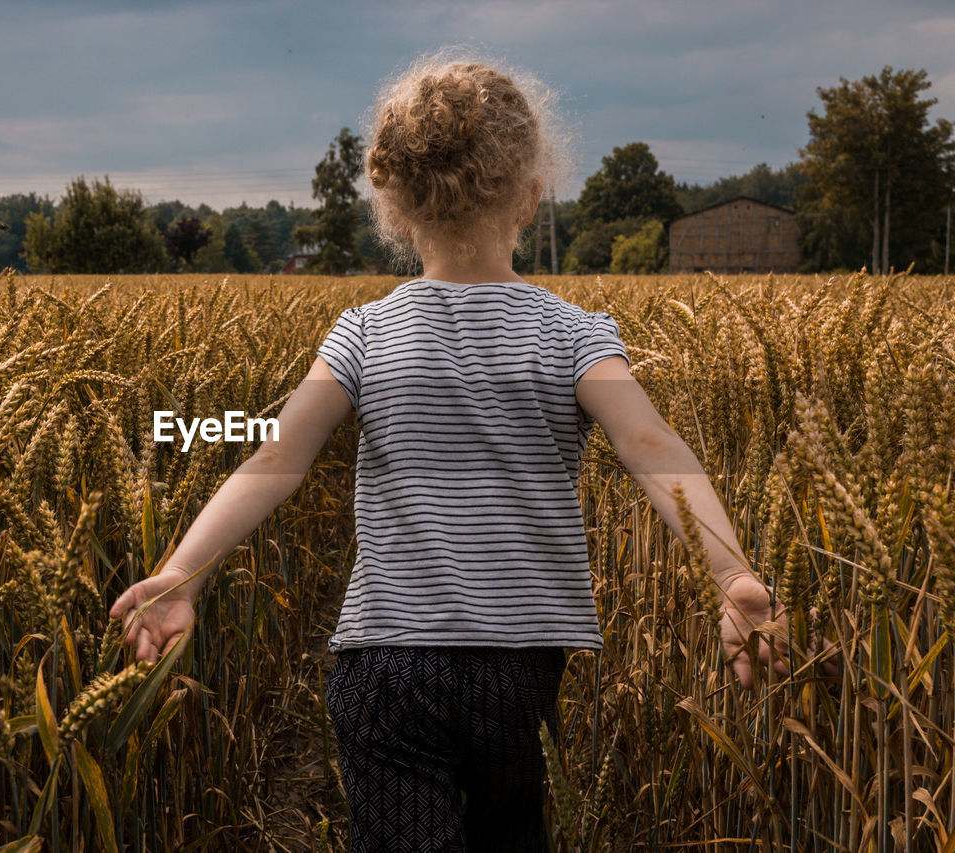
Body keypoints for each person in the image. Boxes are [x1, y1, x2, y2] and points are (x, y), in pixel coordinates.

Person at [109, 51, 822, 852]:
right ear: (530, 195)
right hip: (516, 675)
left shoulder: (363, 334)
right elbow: (650, 444)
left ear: (396, 207)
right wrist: (732, 571)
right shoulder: (574, 334)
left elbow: (276, 457)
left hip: (387, 667)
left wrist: (183, 570)